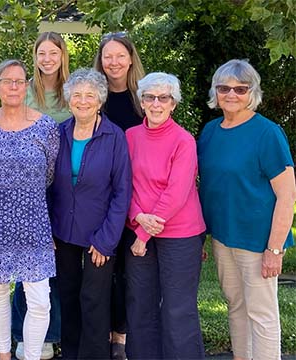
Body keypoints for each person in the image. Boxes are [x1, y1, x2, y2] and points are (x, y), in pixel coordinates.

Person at [198, 59, 296, 360]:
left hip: (257, 241)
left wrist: (275, 250)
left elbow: (287, 194)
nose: (231, 94)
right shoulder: (211, 131)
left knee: (261, 314)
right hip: (223, 237)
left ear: (251, 92)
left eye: (240, 89)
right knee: (236, 306)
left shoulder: (267, 133)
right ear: (216, 91)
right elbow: (207, 187)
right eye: (224, 87)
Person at [0, 59, 59, 360]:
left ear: (27, 86)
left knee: (39, 300)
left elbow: (50, 176)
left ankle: (32, 356)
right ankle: (4, 354)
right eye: (6, 80)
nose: (13, 86)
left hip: (34, 224)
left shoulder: (46, 127)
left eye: (20, 81)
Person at [49, 68, 132, 359]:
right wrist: (48, 230)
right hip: (63, 233)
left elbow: (122, 192)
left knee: (94, 301)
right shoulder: (58, 133)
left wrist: (107, 240)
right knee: (68, 299)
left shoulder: (114, 137)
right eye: (77, 95)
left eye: (90, 96)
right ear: (69, 99)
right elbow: (46, 185)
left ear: (100, 101)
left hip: (99, 235)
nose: (82, 101)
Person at [124, 72, 206, 359]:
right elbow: (124, 185)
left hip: (179, 234)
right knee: (140, 306)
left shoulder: (184, 140)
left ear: (173, 104)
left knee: (177, 308)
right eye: (150, 97)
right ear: (141, 102)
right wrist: (137, 218)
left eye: (164, 98)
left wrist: (143, 235)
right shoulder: (130, 136)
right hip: (139, 229)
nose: (156, 104)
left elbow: (177, 192)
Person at [13, 32, 69, 359]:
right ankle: (25, 333)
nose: (47, 59)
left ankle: (52, 331)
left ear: (63, 56)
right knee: (28, 262)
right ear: (34, 57)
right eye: (41, 53)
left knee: (57, 260)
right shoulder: (25, 91)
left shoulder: (71, 91)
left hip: (64, 186)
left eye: (53, 53)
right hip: (28, 186)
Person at [92, 31, 145, 359]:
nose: (113, 62)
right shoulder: (93, 98)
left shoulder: (145, 98)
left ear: (130, 59)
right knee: (101, 272)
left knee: (128, 273)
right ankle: (102, 334)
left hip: (137, 198)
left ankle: (122, 337)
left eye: (119, 56)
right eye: (107, 56)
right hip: (100, 197)